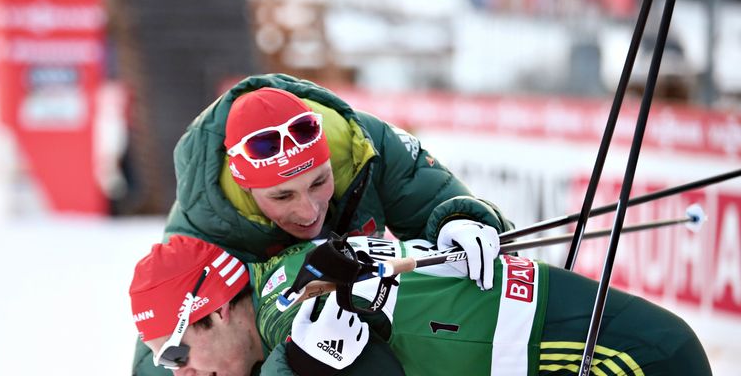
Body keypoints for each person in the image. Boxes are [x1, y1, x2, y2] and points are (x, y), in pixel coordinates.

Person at [132, 73, 511, 375]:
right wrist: (299, 363)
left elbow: (445, 208)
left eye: (319, 182)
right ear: (246, 189)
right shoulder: (206, 227)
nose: (310, 211)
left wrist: (462, 220)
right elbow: (170, 351)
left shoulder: (366, 147)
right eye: (282, 197)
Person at [129, 234, 712, 376]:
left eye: (177, 353)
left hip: (621, 357)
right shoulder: (288, 281)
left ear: (218, 309)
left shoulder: (292, 311)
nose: (179, 372)